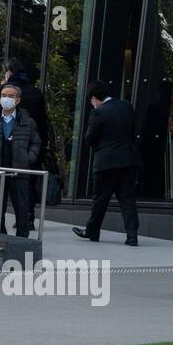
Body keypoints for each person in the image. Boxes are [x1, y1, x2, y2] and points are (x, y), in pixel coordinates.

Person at [73, 81, 142, 245]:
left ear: (95, 98)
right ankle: (132, 236)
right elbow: (131, 132)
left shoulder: (98, 112)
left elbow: (90, 138)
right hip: (128, 160)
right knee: (127, 199)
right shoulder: (127, 106)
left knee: (100, 199)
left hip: (106, 163)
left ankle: (92, 232)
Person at [0, 82, 41, 238]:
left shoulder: (28, 122)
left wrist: (28, 159)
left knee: (22, 208)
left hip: (19, 171)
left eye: (11, 96)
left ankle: (22, 240)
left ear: (18, 100)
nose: (6, 99)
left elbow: (36, 143)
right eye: (4, 95)